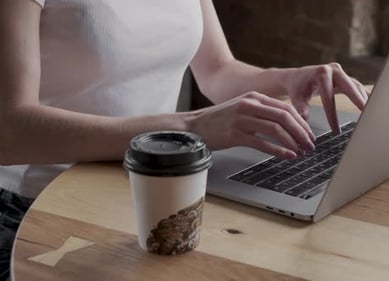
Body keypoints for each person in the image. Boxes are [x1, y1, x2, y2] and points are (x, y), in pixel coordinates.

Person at [0, 0, 368, 279]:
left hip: (148, 193)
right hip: (35, 208)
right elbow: (9, 132)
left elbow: (219, 71)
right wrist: (190, 126)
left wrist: (289, 79)